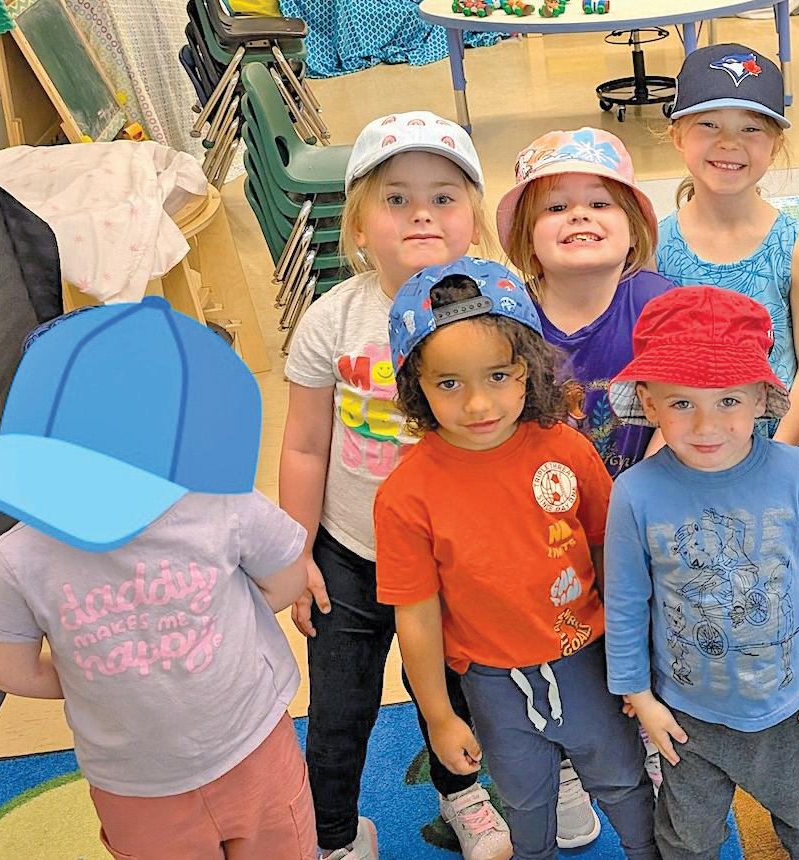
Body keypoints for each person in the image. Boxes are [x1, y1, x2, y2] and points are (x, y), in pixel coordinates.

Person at [0, 298, 316, 859]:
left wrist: (108, 674)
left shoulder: (17, 554)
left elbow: (7, 669)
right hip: (252, 743)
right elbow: (284, 581)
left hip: (134, 782)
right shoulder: (220, 497)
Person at [278, 112, 512, 860]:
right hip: (350, 554)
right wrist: (295, 553)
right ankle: (334, 835)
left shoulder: (498, 310)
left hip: (453, 560)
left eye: (443, 197)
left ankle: (463, 796)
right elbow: (305, 444)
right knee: (339, 710)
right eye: (396, 199)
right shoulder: (333, 320)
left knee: (455, 695)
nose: (421, 215)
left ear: (473, 217)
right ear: (358, 224)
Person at [374, 259, 660, 860]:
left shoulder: (566, 448)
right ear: (416, 385)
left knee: (623, 781)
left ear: (528, 367)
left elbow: (612, 555)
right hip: (491, 683)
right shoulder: (405, 493)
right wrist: (439, 716)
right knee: (525, 803)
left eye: (499, 375)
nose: (479, 403)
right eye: (449, 384)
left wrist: (635, 659)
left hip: (587, 659)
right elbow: (416, 616)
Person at [601, 286, 799, 860]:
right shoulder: (635, 492)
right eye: (681, 403)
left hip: (787, 707)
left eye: (728, 400)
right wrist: (639, 697)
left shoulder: (797, 473)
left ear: (762, 397)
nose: (706, 424)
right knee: (688, 839)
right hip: (686, 715)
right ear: (649, 402)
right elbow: (626, 603)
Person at [655, 44, 799, 469]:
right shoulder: (655, 248)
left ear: (775, 145)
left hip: (779, 444)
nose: (729, 143)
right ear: (677, 136)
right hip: (689, 445)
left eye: (751, 128)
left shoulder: (795, 248)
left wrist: (774, 457)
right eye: (709, 124)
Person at [498, 127, 677, 480]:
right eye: (556, 207)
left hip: (646, 493)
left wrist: (642, 492)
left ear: (634, 230)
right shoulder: (510, 319)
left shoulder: (661, 306)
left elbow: (683, 407)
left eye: (599, 204)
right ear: (527, 237)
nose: (579, 214)